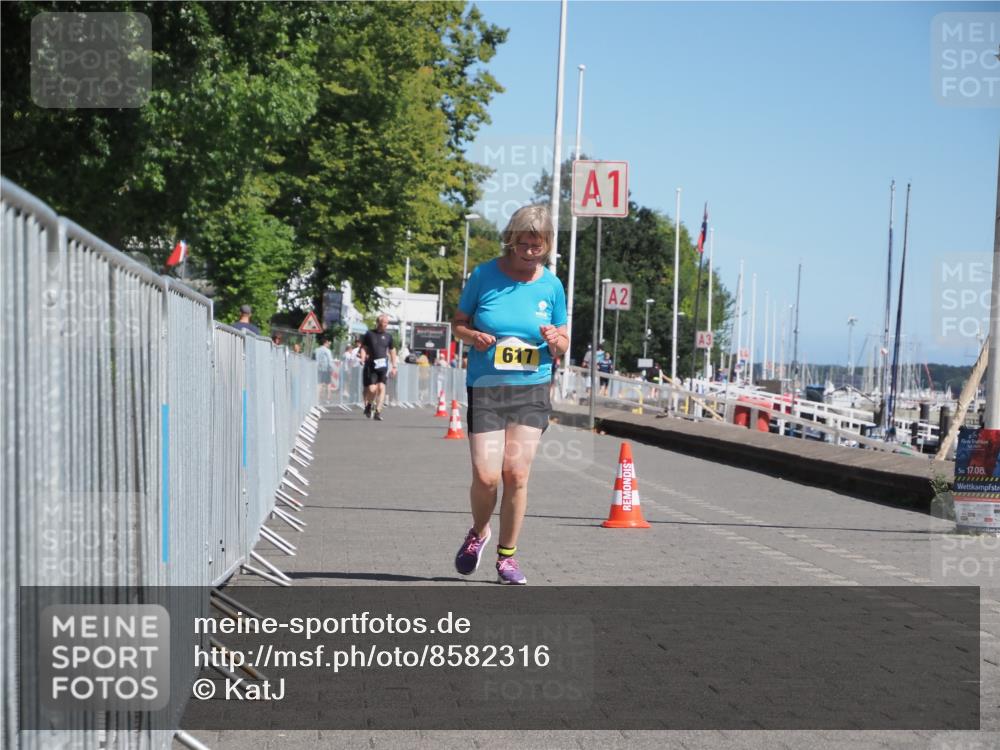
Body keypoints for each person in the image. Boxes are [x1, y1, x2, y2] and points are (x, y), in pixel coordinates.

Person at [451, 204, 568, 585]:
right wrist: (473, 337)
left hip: (531, 388)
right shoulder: (484, 275)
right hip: (487, 388)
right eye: (523, 244)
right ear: (511, 240)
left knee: (516, 474)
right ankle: (479, 532)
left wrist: (556, 339)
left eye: (537, 246)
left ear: (547, 245)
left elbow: (565, 341)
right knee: (487, 477)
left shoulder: (551, 285)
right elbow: (458, 324)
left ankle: (507, 558)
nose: (530, 252)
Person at [358, 314, 397, 420]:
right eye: (384, 323)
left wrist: (394, 366)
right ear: (378, 323)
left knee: (381, 387)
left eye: (386, 323)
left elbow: (392, 350)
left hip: (383, 366)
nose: (385, 325)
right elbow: (363, 348)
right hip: (371, 365)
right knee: (372, 389)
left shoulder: (388, 336)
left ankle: (378, 412)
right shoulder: (369, 334)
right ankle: (369, 405)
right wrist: (362, 358)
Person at [314, 338, 335, 403]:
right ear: (325, 343)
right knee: (328, 383)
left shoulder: (316, 350)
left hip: (318, 368)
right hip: (326, 369)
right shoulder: (327, 350)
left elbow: (314, 358)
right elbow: (330, 360)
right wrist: (332, 368)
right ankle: (328, 399)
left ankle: (317, 399)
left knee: (319, 383)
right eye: (328, 342)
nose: (329, 344)